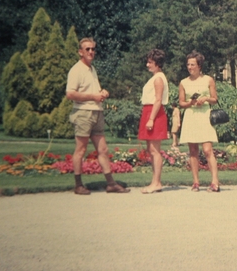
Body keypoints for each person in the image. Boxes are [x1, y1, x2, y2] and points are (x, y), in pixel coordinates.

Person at [66, 37, 130, 195]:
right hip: (83, 113)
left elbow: (94, 91)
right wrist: (93, 97)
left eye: (93, 49)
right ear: (80, 52)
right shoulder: (76, 70)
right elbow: (70, 94)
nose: (91, 52)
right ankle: (78, 184)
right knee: (80, 150)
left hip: (96, 112)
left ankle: (111, 183)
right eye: (87, 49)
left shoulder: (92, 69)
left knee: (103, 149)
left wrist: (102, 93)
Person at [179, 51, 220, 193]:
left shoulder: (208, 80)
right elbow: (181, 103)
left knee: (208, 150)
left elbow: (215, 99)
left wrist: (206, 99)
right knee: (193, 151)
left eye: (193, 64)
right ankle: (196, 182)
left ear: (199, 65)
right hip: (191, 115)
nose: (190, 67)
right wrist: (191, 102)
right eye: (188, 64)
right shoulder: (183, 82)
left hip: (204, 115)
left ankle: (215, 181)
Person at [137, 49, 169, 194]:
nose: (147, 65)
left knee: (155, 151)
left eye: (150, 62)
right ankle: (155, 181)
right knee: (151, 150)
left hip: (154, 113)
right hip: (149, 112)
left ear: (157, 63)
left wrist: (151, 119)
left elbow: (157, 100)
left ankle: (156, 183)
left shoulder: (158, 79)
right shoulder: (156, 77)